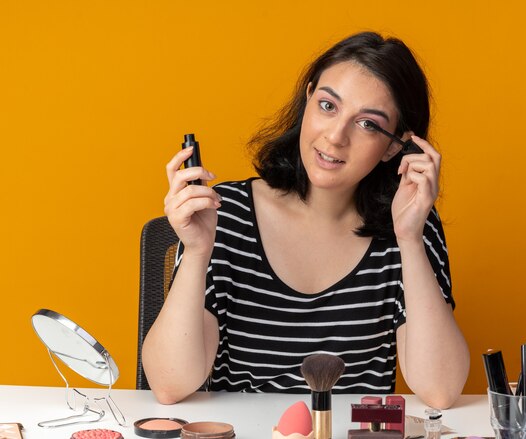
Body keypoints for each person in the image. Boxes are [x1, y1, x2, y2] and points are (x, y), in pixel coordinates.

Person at [142, 31, 469, 408]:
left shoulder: (411, 223)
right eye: (328, 106)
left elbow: (440, 391)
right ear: (308, 98)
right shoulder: (223, 212)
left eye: (367, 124)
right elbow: (170, 385)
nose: (335, 137)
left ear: (395, 146)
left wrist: (410, 239)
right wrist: (198, 252)